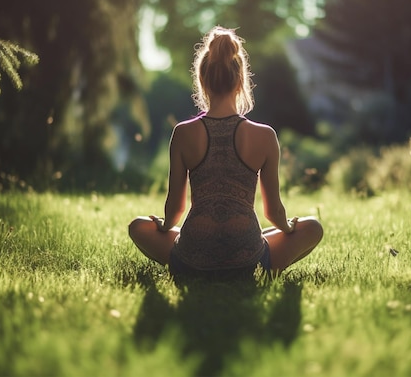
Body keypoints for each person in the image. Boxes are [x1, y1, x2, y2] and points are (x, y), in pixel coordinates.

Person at [128, 26, 323, 280]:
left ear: (202, 80)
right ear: (241, 80)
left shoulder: (183, 133)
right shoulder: (264, 136)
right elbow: (273, 213)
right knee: (313, 227)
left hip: (191, 261)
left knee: (138, 226)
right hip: (249, 263)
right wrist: (288, 227)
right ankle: (246, 250)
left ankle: (197, 266)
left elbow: (175, 209)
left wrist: (164, 226)